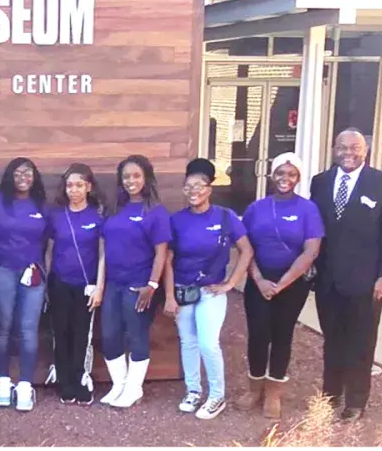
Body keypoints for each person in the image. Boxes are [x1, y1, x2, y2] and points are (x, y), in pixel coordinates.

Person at [309, 128, 382, 421]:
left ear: (365, 151)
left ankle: (355, 401)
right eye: (342, 147)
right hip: (328, 280)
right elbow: (315, 228)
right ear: (334, 149)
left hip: (367, 281)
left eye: (355, 148)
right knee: (332, 339)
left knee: (361, 342)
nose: (348, 153)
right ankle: (331, 394)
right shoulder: (320, 182)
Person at [236, 152, 324, 420]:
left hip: (292, 283)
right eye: (280, 173)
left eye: (292, 174)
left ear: (298, 178)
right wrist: (259, 280)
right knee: (258, 334)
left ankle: (274, 392)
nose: (285, 178)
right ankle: (254, 389)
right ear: (272, 175)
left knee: (282, 335)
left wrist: (282, 284)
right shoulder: (256, 208)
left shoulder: (308, 209)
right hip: (259, 281)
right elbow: (245, 248)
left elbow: (311, 251)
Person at [164, 158, 253, 420]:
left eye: (199, 185)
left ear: (209, 189)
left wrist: (231, 283)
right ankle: (193, 391)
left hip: (211, 292)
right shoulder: (176, 220)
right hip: (183, 290)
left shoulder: (225, 216)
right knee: (188, 342)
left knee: (208, 343)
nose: (194, 191)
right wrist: (169, 295)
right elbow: (167, 259)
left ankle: (216, 396)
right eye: (188, 186)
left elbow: (247, 250)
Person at [100, 155, 170, 409]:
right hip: (113, 284)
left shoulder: (155, 212)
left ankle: (133, 388)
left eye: (136, 175)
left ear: (146, 178)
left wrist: (152, 285)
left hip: (139, 285)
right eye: (126, 176)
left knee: (136, 335)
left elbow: (162, 252)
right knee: (109, 334)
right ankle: (119, 385)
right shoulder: (115, 209)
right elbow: (104, 245)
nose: (131, 181)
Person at [0, 157, 49, 412]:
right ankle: (3, 382)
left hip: (33, 273)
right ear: (9, 176)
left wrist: (46, 273)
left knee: (28, 329)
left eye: (28, 173)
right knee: (2, 327)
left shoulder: (41, 205)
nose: (23, 177)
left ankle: (25, 385)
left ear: (34, 177)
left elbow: (48, 242)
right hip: (1, 270)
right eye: (18, 173)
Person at [45, 163, 105, 405]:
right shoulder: (57, 216)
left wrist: (99, 287)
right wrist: (47, 284)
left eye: (79, 185)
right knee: (61, 332)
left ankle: (81, 378)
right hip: (59, 282)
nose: (74, 190)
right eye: (70, 185)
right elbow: (49, 251)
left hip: (86, 285)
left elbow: (102, 255)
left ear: (88, 187)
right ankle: (65, 380)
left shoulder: (98, 217)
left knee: (82, 334)